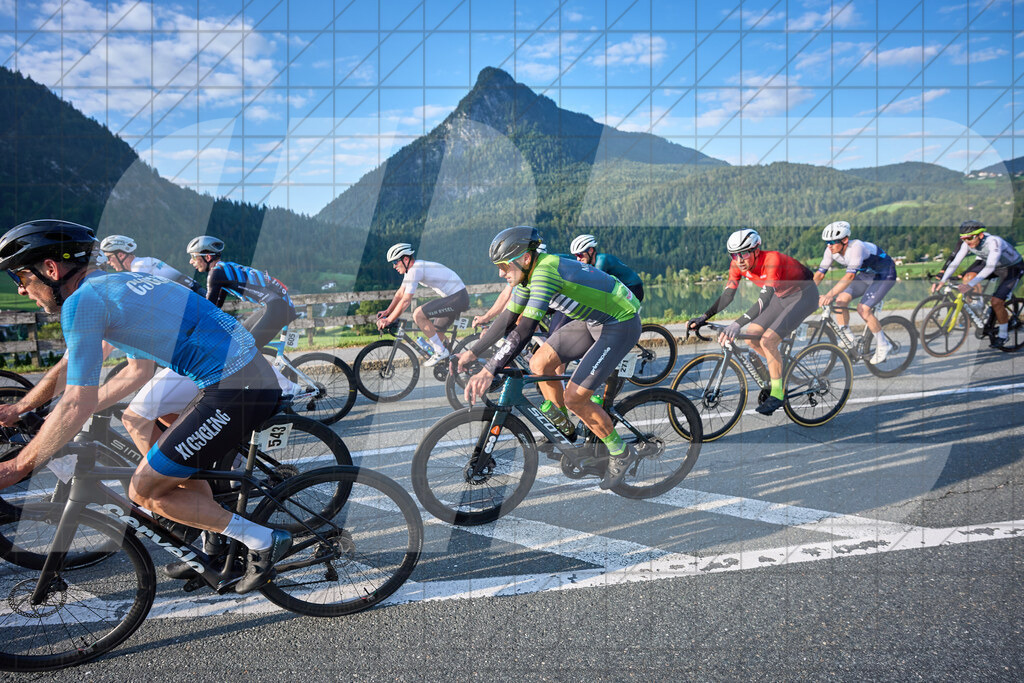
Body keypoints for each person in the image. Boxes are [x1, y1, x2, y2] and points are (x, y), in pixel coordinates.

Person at [0, 219, 289, 593]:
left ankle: (264, 540)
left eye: (20, 277)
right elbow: (128, 371)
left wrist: (19, 465)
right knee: (171, 466)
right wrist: (25, 408)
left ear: (51, 269)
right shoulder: (118, 286)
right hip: (238, 380)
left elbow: (76, 400)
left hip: (235, 388)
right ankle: (211, 550)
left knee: (144, 491)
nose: (21, 289)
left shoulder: (83, 302)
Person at [456, 226, 642, 490]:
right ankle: (565, 429)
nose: (500, 273)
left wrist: (489, 369)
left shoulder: (544, 273)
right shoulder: (526, 277)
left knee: (575, 397)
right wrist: (473, 351)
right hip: (593, 320)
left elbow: (524, 330)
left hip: (619, 323)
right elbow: (508, 319)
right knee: (539, 363)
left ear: (525, 258)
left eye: (504, 265)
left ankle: (620, 452)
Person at [687, 229, 818, 416]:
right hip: (781, 296)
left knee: (768, 341)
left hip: (804, 295)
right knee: (751, 337)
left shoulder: (772, 260)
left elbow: (764, 299)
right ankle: (776, 373)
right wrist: (704, 317)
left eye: (744, 253)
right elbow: (728, 295)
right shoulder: (736, 265)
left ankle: (778, 393)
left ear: (756, 250)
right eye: (734, 255)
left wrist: (736, 324)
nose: (739, 259)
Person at [187, 235, 297, 349]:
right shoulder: (224, 269)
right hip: (276, 304)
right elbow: (215, 307)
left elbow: (208, 308)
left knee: (247, 350)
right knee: (238, 341)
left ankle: (261, 361)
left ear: (208, 257)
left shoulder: (216, 273)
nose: (191, 261)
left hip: (278, 306)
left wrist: (191, 329)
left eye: (193, 256)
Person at [812, 221, 898, 364]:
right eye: (827, 242)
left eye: (832, 242)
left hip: (884, 274)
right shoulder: (830, 251)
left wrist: (829, 295)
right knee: (841, 300)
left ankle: (884, 345)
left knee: (863, 309)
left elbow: (850, 276)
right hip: (866, 275)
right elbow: (820, 274)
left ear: (845, 240)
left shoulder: (857, 247)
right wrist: (805, 291)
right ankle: (848, 338)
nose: (829, 246)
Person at [932, 220, 1024, 348]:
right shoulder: (967, 244)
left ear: (980, 235)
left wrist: (969, 286)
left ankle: (1003, 335)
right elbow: (955, 262)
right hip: (997, 268)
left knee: (996, 301)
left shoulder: (994, 242)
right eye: (963, 239)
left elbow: (990, 267)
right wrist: (942, 280)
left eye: (970, 238)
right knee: (969, 277)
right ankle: (979, 307)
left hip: (1013, 268)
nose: (967, 241)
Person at [377, 243, 469, 367]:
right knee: (436, 335)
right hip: (454, 298)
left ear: (405, 259)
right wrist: (387, 312)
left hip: (458, 298)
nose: (394, 266)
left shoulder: (415, 269)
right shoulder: (410, 271)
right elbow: (400, 294)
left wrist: (389, 320)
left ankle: (441, 352)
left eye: (395, 262)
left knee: (418, 314)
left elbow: (406, 300)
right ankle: (455, 365)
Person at [100, 234, 202, 292]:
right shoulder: (146, 261)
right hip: (196, 291)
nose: (108, 262)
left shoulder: (138, 269)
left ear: (121, 255)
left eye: (109, 257)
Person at [569, 234, 645, 302]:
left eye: (580, 255)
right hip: (624, 289)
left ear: (590, 250)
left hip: (633, 288)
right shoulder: (593, 264)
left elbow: (595, 284)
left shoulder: (602, 260)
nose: (578, 259)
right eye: (576, 256)